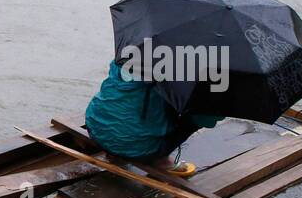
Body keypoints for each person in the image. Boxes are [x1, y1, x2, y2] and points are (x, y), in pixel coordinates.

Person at [84, 59, 221, 176]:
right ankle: (161, 160)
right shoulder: (188, 69)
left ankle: (114, 149)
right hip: (138, 149)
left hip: (95, 127)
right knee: (198, 115)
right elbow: (206, 119)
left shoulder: (133, 47)